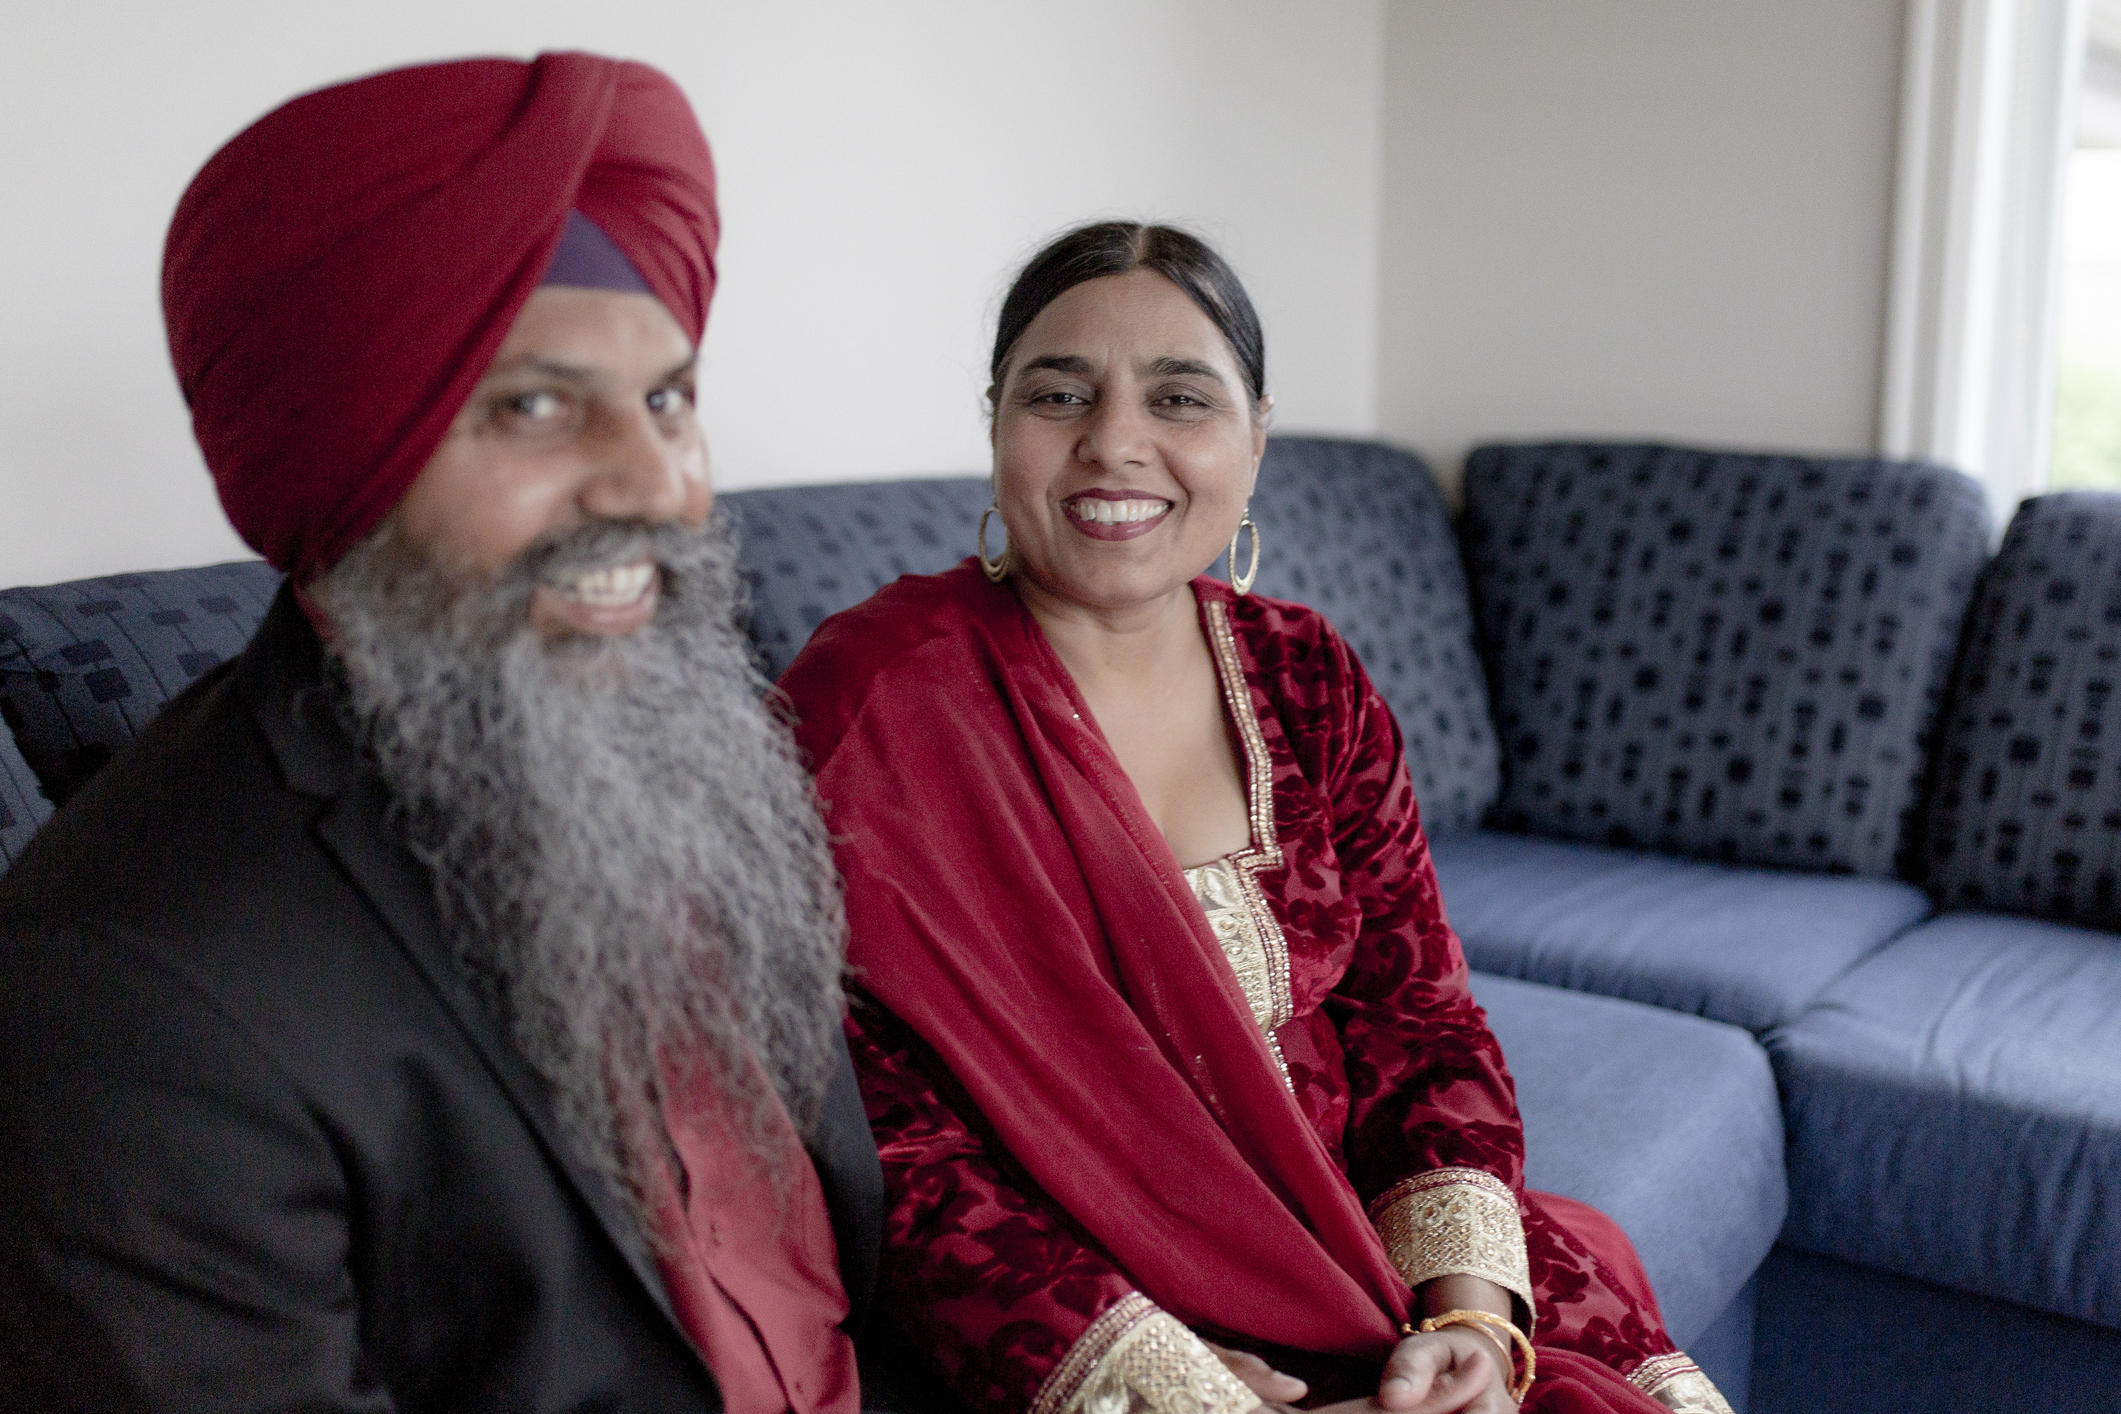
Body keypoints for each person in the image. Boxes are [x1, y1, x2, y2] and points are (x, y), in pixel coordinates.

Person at [0, 54, 884, 1413]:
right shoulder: (124, 992)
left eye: (669, 400)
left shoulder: (692, 762)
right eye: (535, 405)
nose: (658, 483)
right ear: (350, 450)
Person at [776, 223, 1737, 1414]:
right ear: (994, 422)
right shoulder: (876, 701)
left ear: (1255, 436)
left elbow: (1416, 1018)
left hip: (1358, 1246)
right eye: (1058, 392)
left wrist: (1469, 1318)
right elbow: (878, 1133)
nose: (1114, 442)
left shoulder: (1306, 677)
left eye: (1181, 396)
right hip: (1069, 1311)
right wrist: (1161, 1377)